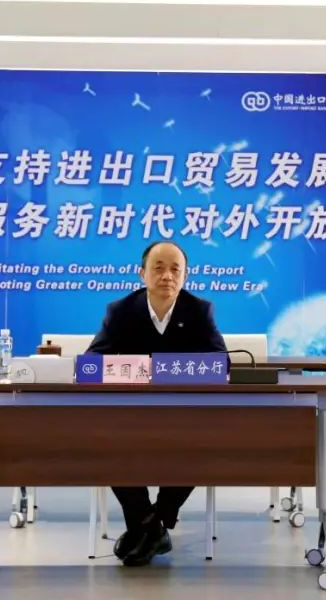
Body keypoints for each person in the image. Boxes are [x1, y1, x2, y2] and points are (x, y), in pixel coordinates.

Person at [87, 240, 227, 567]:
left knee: (200, 445)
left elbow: (221, 363)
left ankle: (152, 523)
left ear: (185, 276)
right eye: (159, 268)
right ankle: (150, 527)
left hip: (185, 416)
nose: (167, 276)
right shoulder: (121, 310)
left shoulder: (199, 310)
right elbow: (92, 362)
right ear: (142, 274)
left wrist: (161, 368)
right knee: (107, 445)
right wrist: (139, 370)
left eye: (176, 269)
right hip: (131, 416)